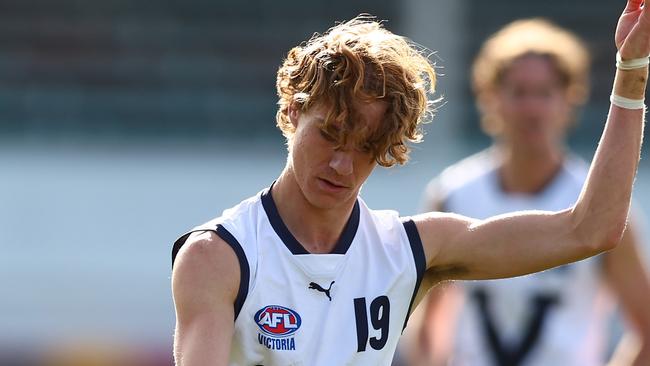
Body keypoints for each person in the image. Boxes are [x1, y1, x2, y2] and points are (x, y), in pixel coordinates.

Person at [171, 2, 650, 364]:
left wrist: (631, 73)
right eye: (330, 134)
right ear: (293, 113)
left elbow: (592, 230)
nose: (341, 164)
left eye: (364, 145)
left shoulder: (408, 250)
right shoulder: (219, 257)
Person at [410, 18, 650, 366]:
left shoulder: (603, 204)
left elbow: (645, 327)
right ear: (489, 98)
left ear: (570, 100)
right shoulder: (452, 193)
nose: (532, 109)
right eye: (519, 92)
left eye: (545, 93)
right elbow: (429, 325)